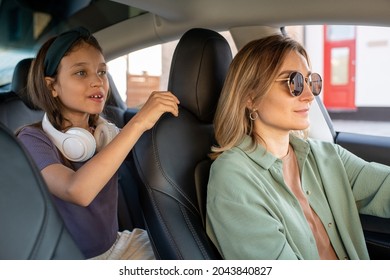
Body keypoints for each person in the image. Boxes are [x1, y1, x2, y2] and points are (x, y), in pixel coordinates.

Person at [205, 34, 390, 260]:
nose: (309, 95)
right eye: (293, 82)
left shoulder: (325, 156)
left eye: (310, 81)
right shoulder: (233, 177)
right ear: (250, 97)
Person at [17, 27, 180, 259]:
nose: (97, 81)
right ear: (52, 86)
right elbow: (77, 191)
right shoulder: (33, 141)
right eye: (81, 73)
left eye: (102, 72)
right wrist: (139, 121)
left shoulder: (103, 133)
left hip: (116, 246)